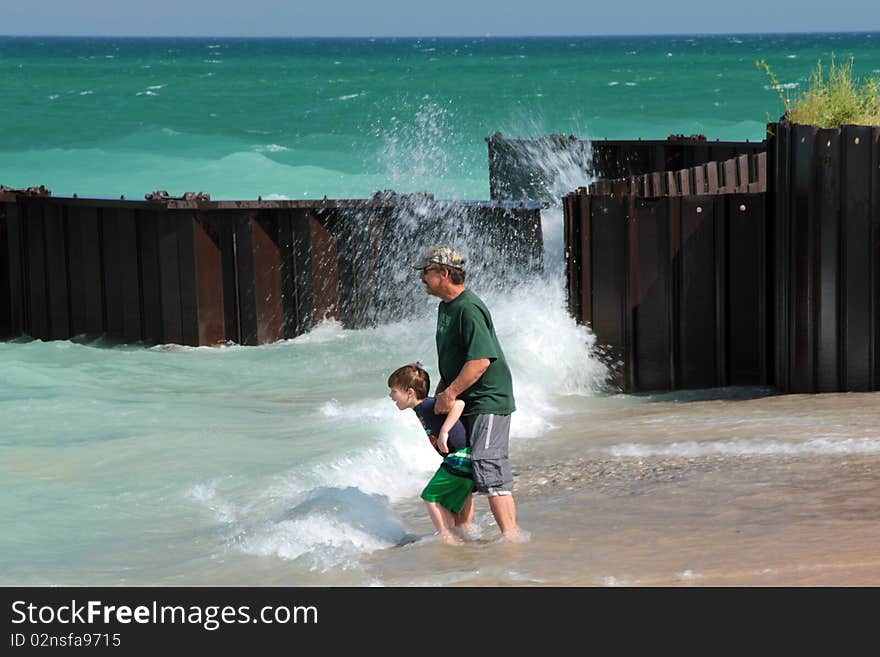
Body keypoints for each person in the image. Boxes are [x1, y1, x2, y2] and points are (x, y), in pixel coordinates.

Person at [410, 245, 522, 540]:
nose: (421, 277)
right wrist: (440, 393)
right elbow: (456, 358)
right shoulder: (446, 306)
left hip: (488, 399)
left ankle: (512, 541)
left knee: (488, 464)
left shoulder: (468, 308)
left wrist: (449, 394)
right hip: (464, 398)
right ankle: (465, 533)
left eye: (427, 271)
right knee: (461, 466)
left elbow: (481, 361)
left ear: (444, 274)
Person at [388, 362, 474, 543]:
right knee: (448, 504)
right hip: (462, 458)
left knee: (430, 496)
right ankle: (460, 536)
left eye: (394, 391)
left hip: (459, 457)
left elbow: (459, 404)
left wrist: (444, 432)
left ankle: (447, 538)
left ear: (410, 392)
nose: (391, 396)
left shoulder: (428, 405)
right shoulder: (421, 408)